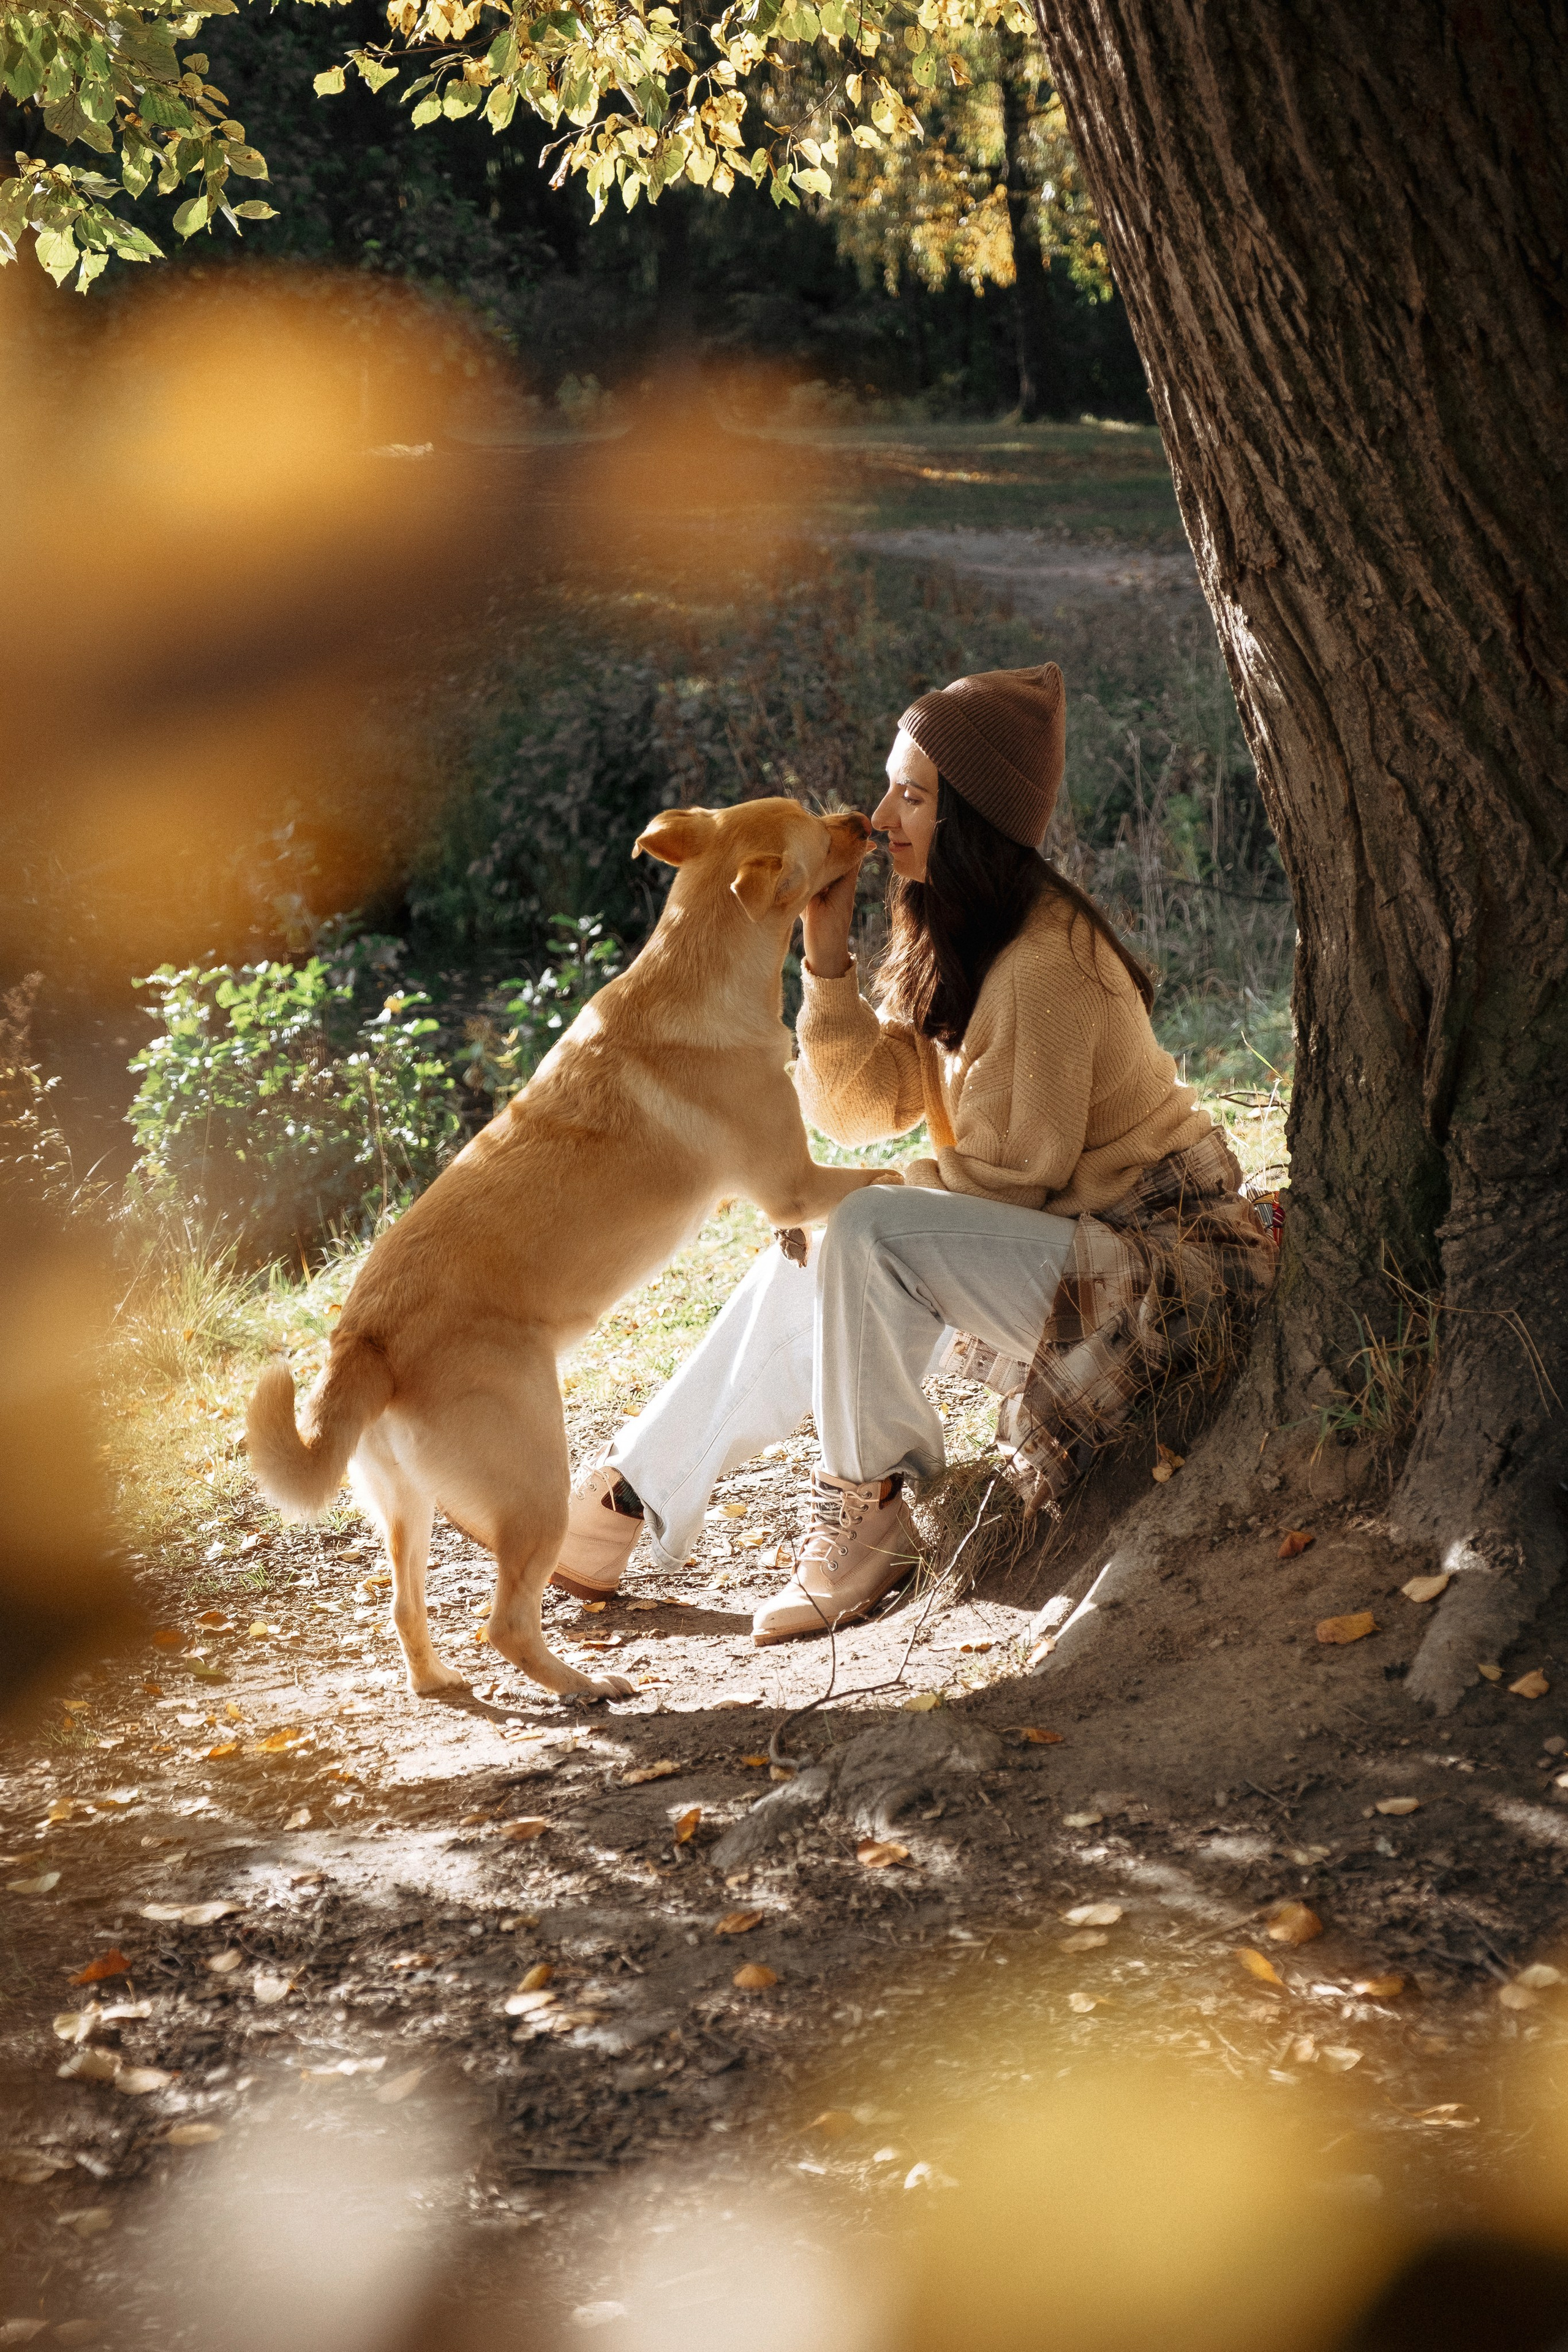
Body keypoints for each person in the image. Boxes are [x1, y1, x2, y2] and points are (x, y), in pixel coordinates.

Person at [551, 663, 1275, 1644]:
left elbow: (1006, 1183)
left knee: (857, 1229)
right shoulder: (950, 928)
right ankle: (622, 1503)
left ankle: (870, 1506)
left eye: (915, 796)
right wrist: (826, 952)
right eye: (892, 783)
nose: (882, 814)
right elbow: (858, 1109)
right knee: (827, 1246)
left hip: (1154, 1274)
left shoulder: (1047, 964)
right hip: (1061, 1248)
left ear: (974, 817)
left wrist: (853, 1209)